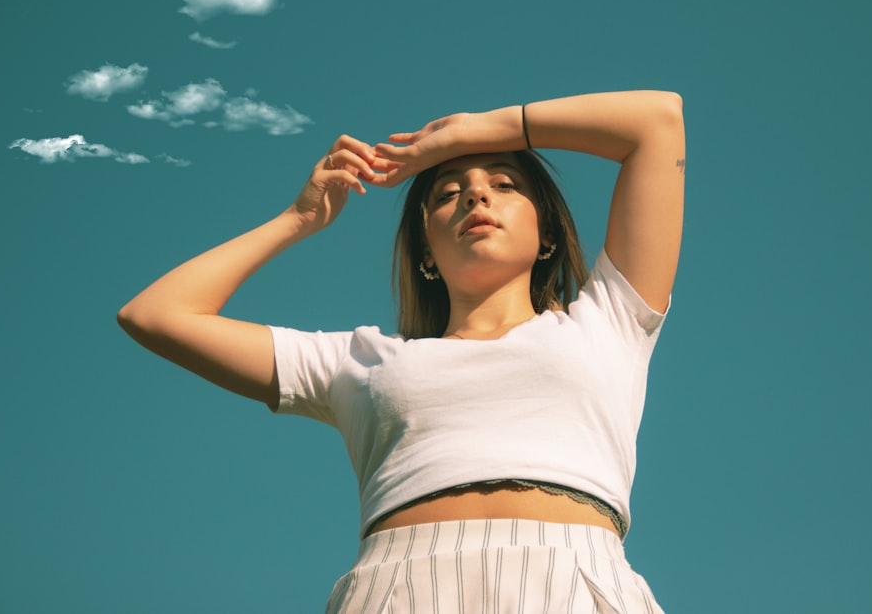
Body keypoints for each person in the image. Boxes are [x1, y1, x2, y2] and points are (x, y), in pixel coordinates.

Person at [118, 90, 686, 613]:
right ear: (427, 253)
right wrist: (298, 220)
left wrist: (475, 131)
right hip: (398, 588)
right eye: (446, 194)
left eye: (505, 184)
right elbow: (155, 315)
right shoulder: (358, 360)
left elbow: (656, 123)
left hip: (578, 578)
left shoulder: (610, 318)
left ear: (549, 237)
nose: (475, 193)